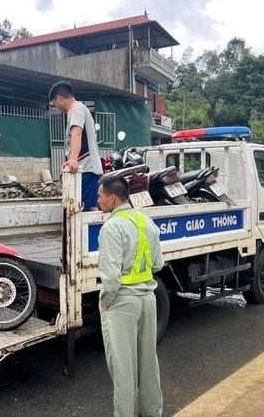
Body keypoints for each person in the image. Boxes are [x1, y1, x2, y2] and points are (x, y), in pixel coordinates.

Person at [97, 176, 164, 417]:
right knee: (148, 363)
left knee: (124, 369)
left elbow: (111, 278)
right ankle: (152, 412)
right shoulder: (146, 222)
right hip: (148, 298)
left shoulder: (111, 228)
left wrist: (105, 303)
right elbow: (158, 264)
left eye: (100, 196)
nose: (98, 200)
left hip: (122, 303)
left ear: (112, 198)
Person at [49, 80, 103, 211]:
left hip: (86, 170)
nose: (56, 106)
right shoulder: (78, 109)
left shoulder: (76, 109)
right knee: (88, 210)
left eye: (54, 103)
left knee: (86, 212)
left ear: (59, 99)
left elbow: (77, 133)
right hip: (86, 170)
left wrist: (72, 160)